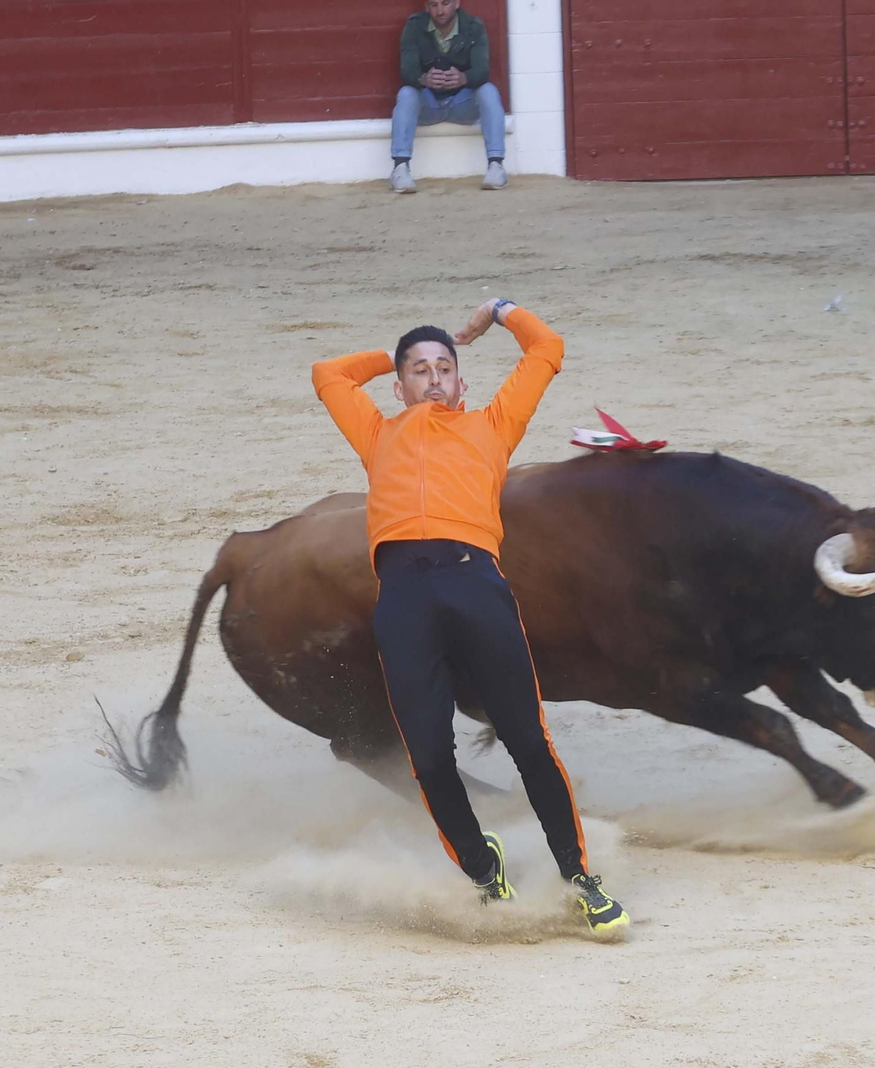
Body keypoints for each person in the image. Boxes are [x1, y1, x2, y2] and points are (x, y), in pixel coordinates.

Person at [310, 299, 629, 938]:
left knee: (527, 739)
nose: (432, 378)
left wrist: (500, 312)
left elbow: (548, 349)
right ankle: (485, 870)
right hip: (403, 597)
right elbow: (328, 374)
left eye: (443, 368)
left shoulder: (493, 424)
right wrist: (389, 353)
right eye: (418, 370)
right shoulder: (378, 433)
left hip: (474, 583)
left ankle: (579, 879)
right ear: (399, 387)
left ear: (462, 381)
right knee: (427, 756)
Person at [390, 0, 507, 194]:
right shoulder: (414, 26)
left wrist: (463, 78)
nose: (440, 11)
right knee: (407, 94)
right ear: (427, 7)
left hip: (462, 103)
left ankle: (496, 166)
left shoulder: (473, 26)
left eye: (445, 3)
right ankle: (400, 168)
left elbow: (483, 71)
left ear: (457, 3)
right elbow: (407, 71)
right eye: (434, 5)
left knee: (488, 90)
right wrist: (424, 79)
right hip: (429, 104)